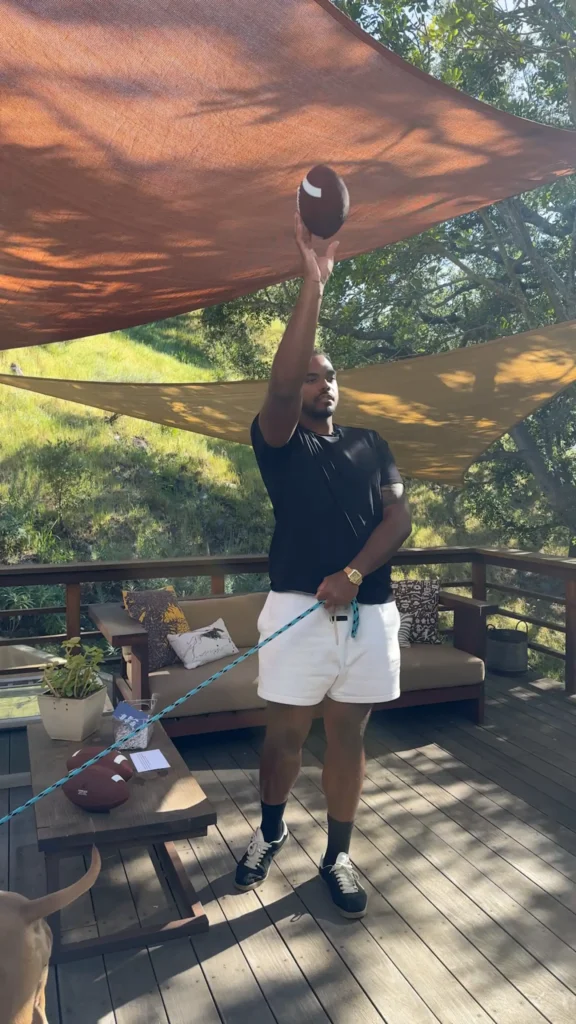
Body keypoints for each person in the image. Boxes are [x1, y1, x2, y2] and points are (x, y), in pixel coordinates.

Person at [234, 213, 412, 918]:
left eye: (329, 376)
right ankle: (271, 831)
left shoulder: (372, 444)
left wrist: (354, 575)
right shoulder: (279, 442)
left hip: (368, 614)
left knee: (348, 738)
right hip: (298, 612)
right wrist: (314, 283)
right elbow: (279, 391)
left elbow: (399, 519)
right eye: (311, 377)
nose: (322, 385)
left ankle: (337, 855)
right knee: (285, 737)